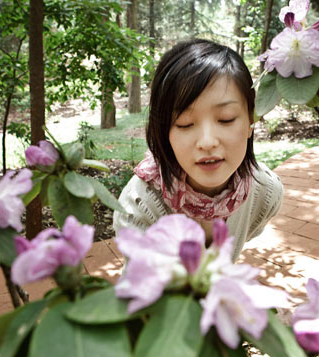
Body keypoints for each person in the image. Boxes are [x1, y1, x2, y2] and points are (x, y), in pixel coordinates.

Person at [113, 39, 283, 262]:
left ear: (251, 120)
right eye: (185, 123)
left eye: (226, 119)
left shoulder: (265, 194)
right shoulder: (139, 208)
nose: (207, 142)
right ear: (164, 131)